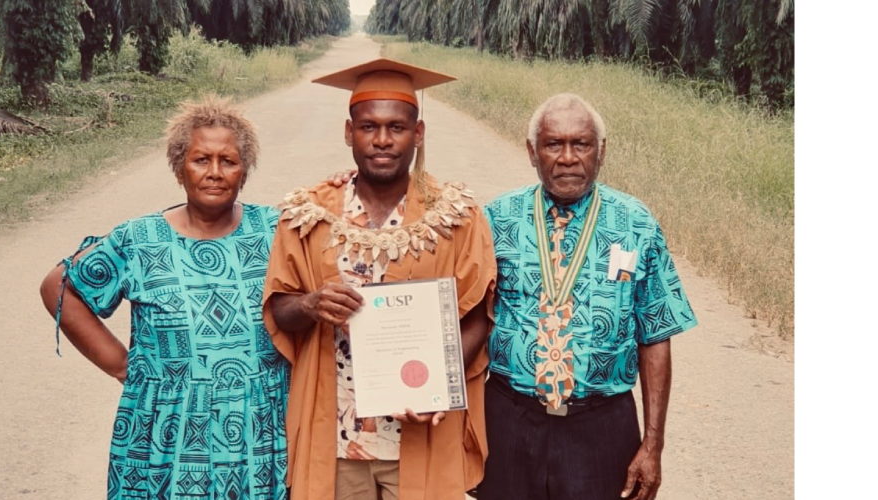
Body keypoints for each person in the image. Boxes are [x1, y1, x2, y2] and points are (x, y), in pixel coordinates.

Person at [261, 58, 497, 500]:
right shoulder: (310, 213)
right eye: (368, 127)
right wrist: (311, 304)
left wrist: (438, 386)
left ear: (418, 133)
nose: (382, 140)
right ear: (349, 132)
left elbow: (478, 315)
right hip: (335, 438)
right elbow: (279, 308)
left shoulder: (454, 215)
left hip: (422, 433)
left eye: (397, 127)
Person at [39, 95, 290, 500]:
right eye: (200, 160)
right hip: (165, 432)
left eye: (228, 161)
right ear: (179, 168)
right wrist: (120, 364)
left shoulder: (275, 230)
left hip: (258, 428)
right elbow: (59, 286)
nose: (214, 172)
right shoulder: (141, 240)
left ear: (244, 171)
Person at [477, 93, 698, 500]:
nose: (567, 158)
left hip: (601, 427)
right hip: (510, 422)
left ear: (602, 151)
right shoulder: (496, 219)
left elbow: (655, 335)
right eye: (553, 144)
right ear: (532, 151)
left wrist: (653, 445)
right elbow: (468, 318)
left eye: (581, 144)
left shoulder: (635, 223)